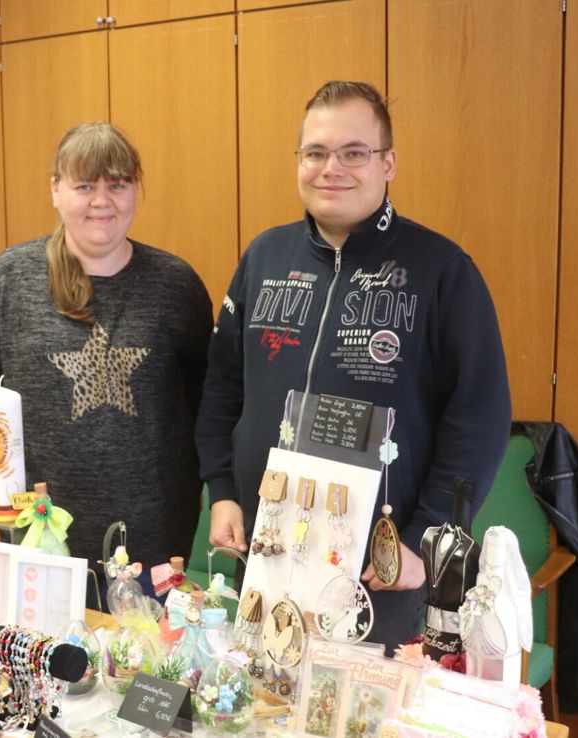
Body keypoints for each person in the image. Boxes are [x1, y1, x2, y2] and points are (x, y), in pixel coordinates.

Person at [195, 81, 511, 649]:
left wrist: (424, 541)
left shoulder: (441, 271)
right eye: (315, 152)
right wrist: (221, 490)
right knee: (261, 711)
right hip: (267, 550)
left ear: (388, 163)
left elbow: (479, 418)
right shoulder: (265, 257)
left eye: (354, 152)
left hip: (382, 568)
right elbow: (222, 387)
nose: (330, 168)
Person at [0, 122, 212, 599]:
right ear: (55, 191)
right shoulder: (9, 280)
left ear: (136, 190)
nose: (102, 200)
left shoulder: (176, 286)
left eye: (117, 185)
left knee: (146, 667)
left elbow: (208, 408)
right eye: (84, 185)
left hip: (157, 530)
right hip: (43, 530)